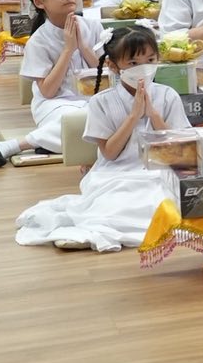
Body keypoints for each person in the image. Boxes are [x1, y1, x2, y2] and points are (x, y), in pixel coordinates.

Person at [13, 27, 192, 253]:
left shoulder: (167, 95)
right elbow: (109, 153)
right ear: (114, 66)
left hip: (159, 170)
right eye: (133, 64)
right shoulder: (101, 102)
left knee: (165, 202)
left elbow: (178, 148)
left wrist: (154, 115)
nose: (144, 69)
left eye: (150, 60)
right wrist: (133, 116)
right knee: (116, 207)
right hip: (116, 173)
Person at [0, 0, 103, 167]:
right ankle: (16, 145)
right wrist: (68, 50)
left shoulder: (93, 27)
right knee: (76, 120)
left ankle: (50, 142)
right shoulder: (38, 41)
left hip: (92, 99)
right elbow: (48, 91)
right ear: (40, 2)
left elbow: (105, 76)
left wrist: (83, 46)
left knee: (108, 114)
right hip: (56, 104)